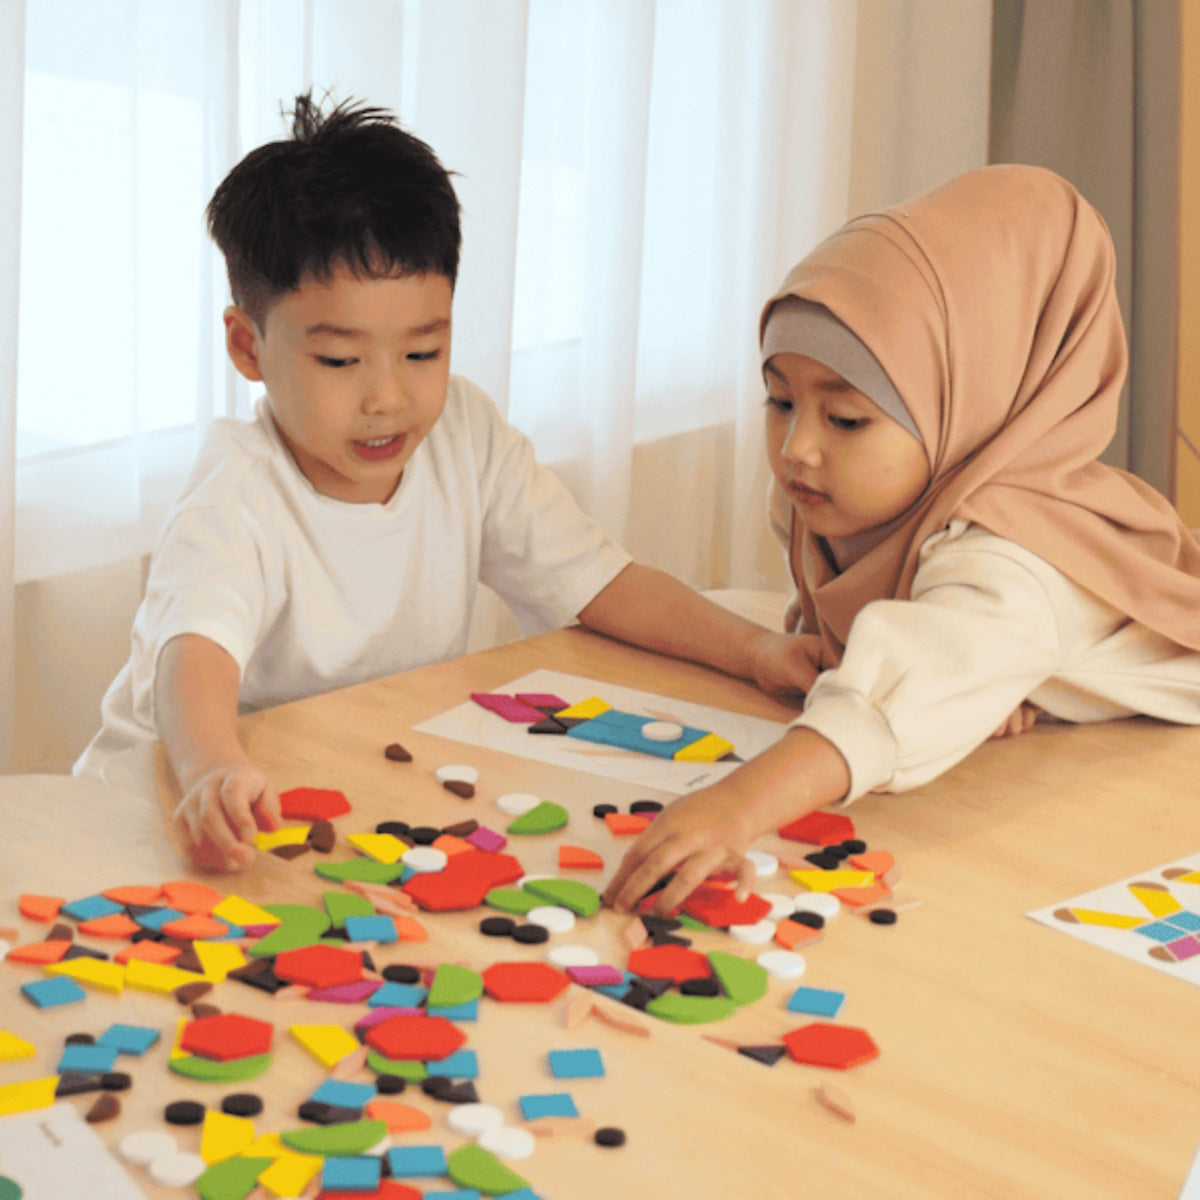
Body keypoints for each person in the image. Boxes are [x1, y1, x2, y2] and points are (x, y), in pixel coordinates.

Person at [74, 92, 814, 872]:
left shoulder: (464, 434)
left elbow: (601, 582)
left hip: (345, 784)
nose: (387, 397)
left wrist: (757, 649)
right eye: (340, 360)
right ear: (247, 347)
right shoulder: (237, 494)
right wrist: (214, 768)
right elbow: (193, 655)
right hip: (176, 798)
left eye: (423, 353)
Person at [604, 163, 1200, 915]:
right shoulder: (831, 499)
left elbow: (880, 709)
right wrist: (976, 690)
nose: (797, 448)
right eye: (779, 401)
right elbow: (908, 659)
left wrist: (735, 806)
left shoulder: (1011, 560)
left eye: (847, 419)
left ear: (965, 405)